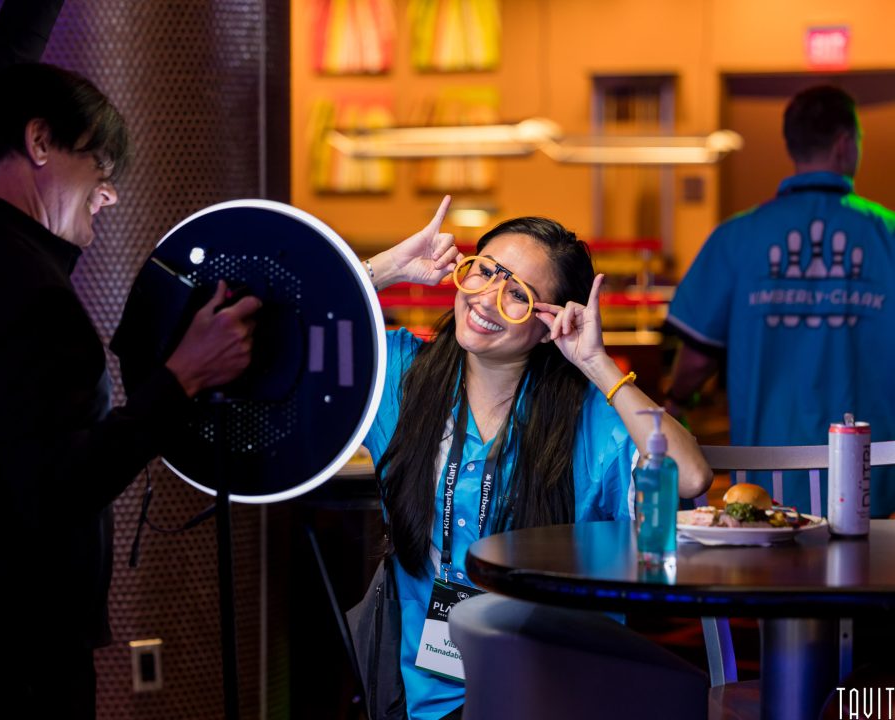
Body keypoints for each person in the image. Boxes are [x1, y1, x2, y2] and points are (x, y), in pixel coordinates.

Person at [0, 1, 260, 717]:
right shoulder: (35, 300)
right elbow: (53, 489)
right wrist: (182, 379)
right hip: (22, 664)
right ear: (41, 142)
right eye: (103, 165)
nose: (110, 193)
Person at [361, 196, 712, 719]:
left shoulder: (588, 416)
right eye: (484, 272)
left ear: (552, 321)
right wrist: (386, 268)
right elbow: (277, 319)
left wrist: (597, 363)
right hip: (427, 695)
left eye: (518, 294)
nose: (486, 299)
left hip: (559, 690)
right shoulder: (401, 378)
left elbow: (690, 476)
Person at [665, 84, 895, 518]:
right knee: (864, 577)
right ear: (846, 145)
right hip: (869, 476)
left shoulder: (736, 237)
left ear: (792, 145)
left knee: (772, 578)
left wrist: (678, 401)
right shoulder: (888, 235)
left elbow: (695, 361)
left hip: (766, 482)